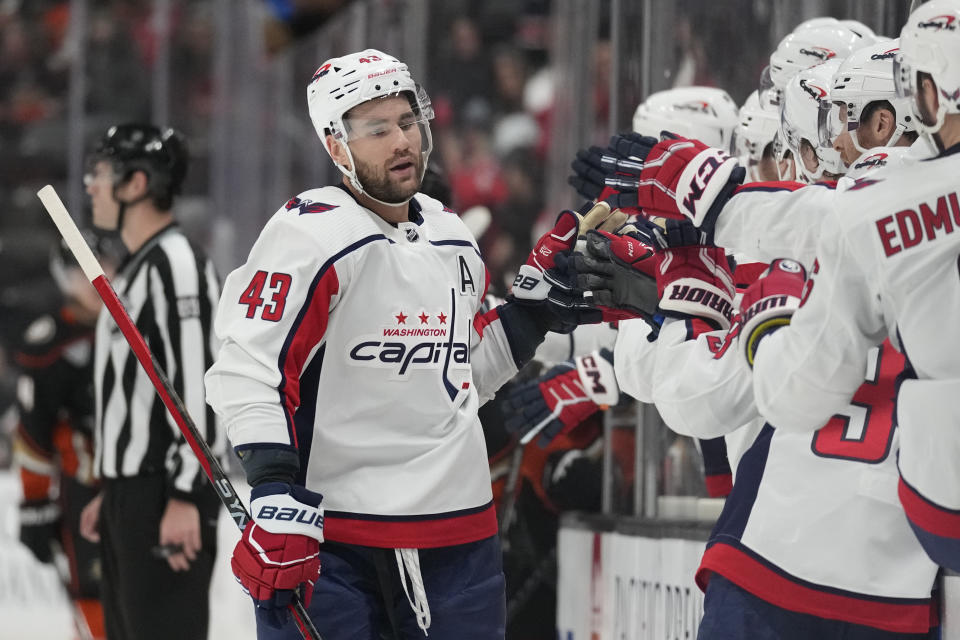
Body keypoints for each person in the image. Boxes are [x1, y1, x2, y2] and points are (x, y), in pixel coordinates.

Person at [203, 49, 601, 640]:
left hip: (458, 542)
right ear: (336, 145)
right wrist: (274, 486)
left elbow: (460, 373)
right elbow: (249, 368)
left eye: (409, 122)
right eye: (376, 129)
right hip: (336, 542)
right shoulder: (312, 235)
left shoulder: (452, 235)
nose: (402, 141)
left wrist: (530, 315)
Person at [749, 0, 960, 572]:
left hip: (935, 511)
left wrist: (760, 333)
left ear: (930, 92)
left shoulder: (870, 213)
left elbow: (796, 393)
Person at [77, 123, 224, 640]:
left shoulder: (176, 264)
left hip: (165, 497)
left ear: (136, 183)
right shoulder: (138, 270)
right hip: (133, 495)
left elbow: (199, 386)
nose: (90, 186)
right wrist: (112, 488)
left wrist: (185, 494)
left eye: (100, 173)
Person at [12, 238, 116, 639]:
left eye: (100, 266)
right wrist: (34, 504)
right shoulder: (49, 344)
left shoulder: (139, 328)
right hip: (82, 490)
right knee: (92, 593)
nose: (91, 282)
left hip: (141, 486)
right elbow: (33, 434)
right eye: (78, 273)